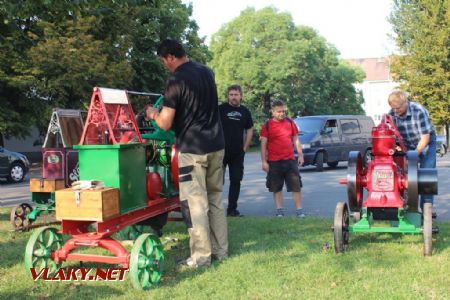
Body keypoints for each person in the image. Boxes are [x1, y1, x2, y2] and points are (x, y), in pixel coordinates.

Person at [147, 38, 228, 268]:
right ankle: (221, 252)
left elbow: (164, 123)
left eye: (164, 62)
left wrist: (152, 113)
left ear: (170, 57)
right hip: (217, 145)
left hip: (193, 150)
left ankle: (201, 257)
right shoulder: (207, 71)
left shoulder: (176, 79)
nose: (166, 66)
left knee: (195, 204)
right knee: (215, 200)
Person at [388, 90, 436, 209]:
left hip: (427, 142)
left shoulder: (418, 111)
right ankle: (409, 207)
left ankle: (426, 209)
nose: (395, 111)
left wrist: (412, 157)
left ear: (406, 103)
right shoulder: (392, 114)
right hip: (407, 144)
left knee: (426, 175)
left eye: (398, 108)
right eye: (393, 108)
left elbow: (425, 138)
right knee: (405, 175)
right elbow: (392, 135)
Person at [260, 99, 305, 217]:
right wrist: (264, 162)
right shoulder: (267, 125)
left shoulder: (290, 123)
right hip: (274, 162)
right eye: (279, 111)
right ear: (273, 112)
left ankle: (299, 211)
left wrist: (300, 155)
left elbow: (296, 140)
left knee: (296, 186)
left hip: (290, 160)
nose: (282, 113)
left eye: (283, 111)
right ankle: (280, 211)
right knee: (276, 187)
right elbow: (263, 144)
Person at [219, 84, 254, 217]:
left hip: (237, 154)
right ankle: (214, 210)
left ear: (241, 96)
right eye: (231, 95)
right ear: (228, 96)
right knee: (216, 182)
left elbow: (250, 129)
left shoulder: (245, 111)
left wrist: (245, 147)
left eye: (236, 95)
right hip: (220, 152)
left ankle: (232, 209)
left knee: (236, 180)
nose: (234, 97)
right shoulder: (220, 109)